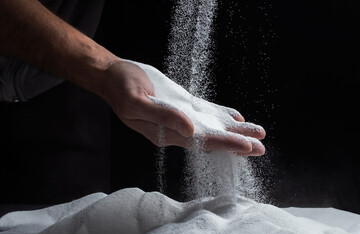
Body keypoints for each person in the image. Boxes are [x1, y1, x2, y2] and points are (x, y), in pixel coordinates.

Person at [0, 0, 265, 202]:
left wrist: (104, 71)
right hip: (61, 67)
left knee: (75, 204)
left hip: (64, 74)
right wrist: (103, 68)